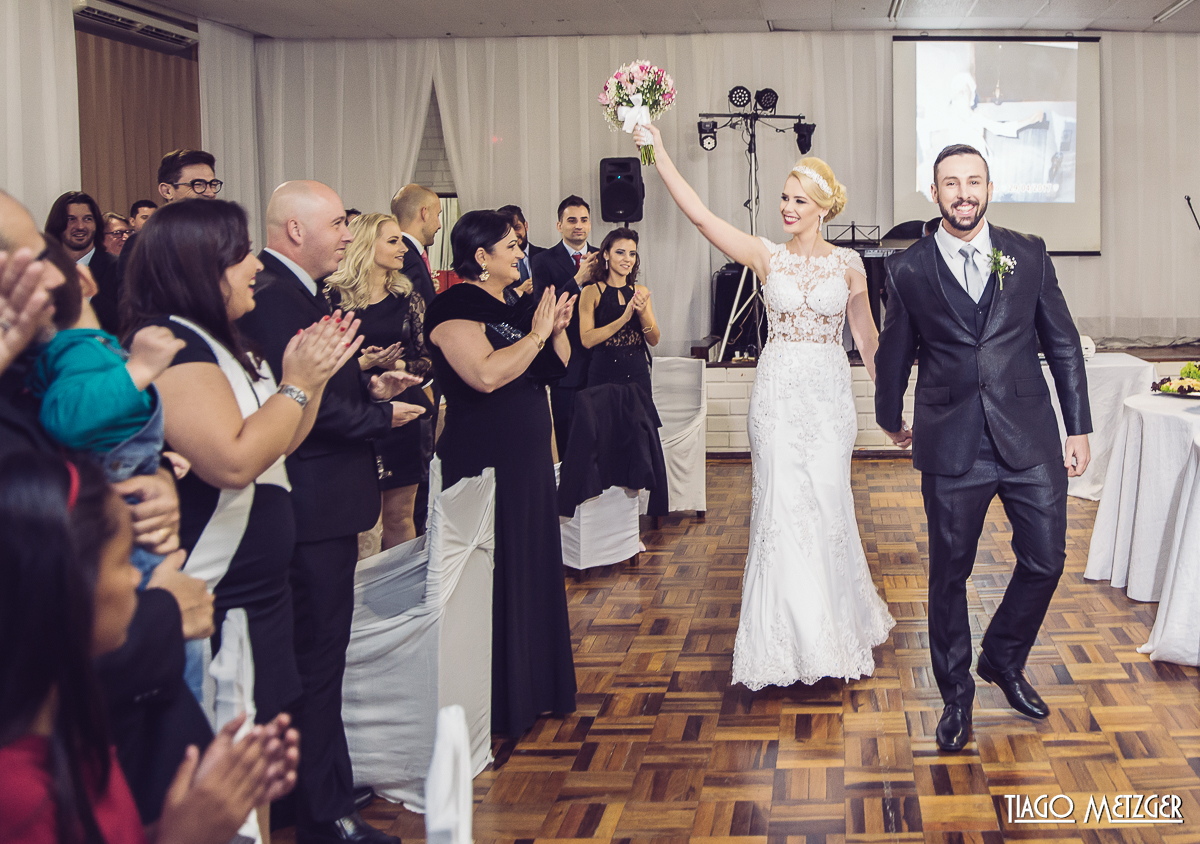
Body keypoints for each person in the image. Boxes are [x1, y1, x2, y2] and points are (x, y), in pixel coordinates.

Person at [124, 198, 363, 835]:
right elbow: (232, 462)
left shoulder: (224, 342)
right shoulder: (174, 347)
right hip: (217, 583)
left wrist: (308, 379)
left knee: (249, 756)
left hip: (258, 589)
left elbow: (279, 436)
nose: (254, 265)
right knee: (220, 757)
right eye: (238, 255)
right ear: (200, 268)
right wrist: (296, 383)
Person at [635, 124, 896, 689]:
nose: (786, 207)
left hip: (828, 397)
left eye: (799, 200)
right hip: (776, 396)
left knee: (827, 505)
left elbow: (868, 337)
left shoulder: (850, 266)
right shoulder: (766, 256)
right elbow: (702, 217)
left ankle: (834, 626)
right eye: (783, 197)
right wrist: (656, 155)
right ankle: (783, 640)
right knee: (779, 510)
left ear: (823, 207)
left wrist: (891, 406)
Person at [875, 143, 1091, 752]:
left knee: (1046, 560)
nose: (963, 193)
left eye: (974, 181)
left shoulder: (1028, 254)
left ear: (989, 186)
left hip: (1030, 435)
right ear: (935, 192)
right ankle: (955, 700)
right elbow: (895, 351)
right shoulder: (909, 269)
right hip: (951, 441)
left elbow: (1064, 344)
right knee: (950, 574)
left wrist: (1078, 427)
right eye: (951, 183)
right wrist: (889, 417)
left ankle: (1001, 656)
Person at [238, 181, 421, 844]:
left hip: (319, 503)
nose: (348, 235)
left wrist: (369, 384)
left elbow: (315, 386)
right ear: (293, 230)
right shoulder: (274, 297)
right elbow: (295, 408)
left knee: (310, 661)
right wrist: (377, 413)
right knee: (317, 662)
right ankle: (324, 812)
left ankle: (315, 787)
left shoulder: (297, 293)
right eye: (338, 223)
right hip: (311, 507)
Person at [0, 449, 300, 844]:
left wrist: (202, 810)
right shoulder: (17, 793)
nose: (133, 582)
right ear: (69, 586)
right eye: (124, 561)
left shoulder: (75, 732)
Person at [424, 210, 577, 737]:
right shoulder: (454, 305)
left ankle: (536, 687)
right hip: (488, 454)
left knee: (532, 562)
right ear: (481, 257)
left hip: (527, 456)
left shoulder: (509, 306)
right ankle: (499, 700)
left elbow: (551, 370)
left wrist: (552, 330)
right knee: (499, 568)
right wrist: (535, 336)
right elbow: (486, 375)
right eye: (510, 246)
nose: (520, 253)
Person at [27, 238, 182, 590]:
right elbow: (66, 419)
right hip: (116, 505)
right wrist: (139, 369)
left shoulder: (89, 346)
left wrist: (162, 465)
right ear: (84, 282)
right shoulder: (76, 348)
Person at [324, 213, 432, 549]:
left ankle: (399, 598)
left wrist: (397, 362)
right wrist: (363, 363)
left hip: (404, 410)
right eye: (393, 240)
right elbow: (319, 363)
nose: (403, 248)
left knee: (400, 516)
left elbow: (428, 360)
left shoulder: (407, 298)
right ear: (366, 244)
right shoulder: (331, 298)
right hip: (351, 412)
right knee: (357, 520)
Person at [530, 196, 599, 456]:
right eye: (571, 220)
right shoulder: (543, 260)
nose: (578, 226)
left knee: (598, 434)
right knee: (567, 433)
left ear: (590, 224)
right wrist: (578, 279)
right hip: (566, 360)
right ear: (559, 225)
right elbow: (541, 307)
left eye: (583, 220)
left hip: (599, 360)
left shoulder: (602, 257)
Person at [45, 191, 121, 334]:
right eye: (71, 219)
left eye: (87, 219)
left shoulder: (119, 268)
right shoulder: (44, 269)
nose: (80, 226)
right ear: (58, 223)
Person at [391, 184, 441, 305]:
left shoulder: (405, 253)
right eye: (437, 215)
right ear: (424, 213)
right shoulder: (405, 257)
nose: (439, 225)